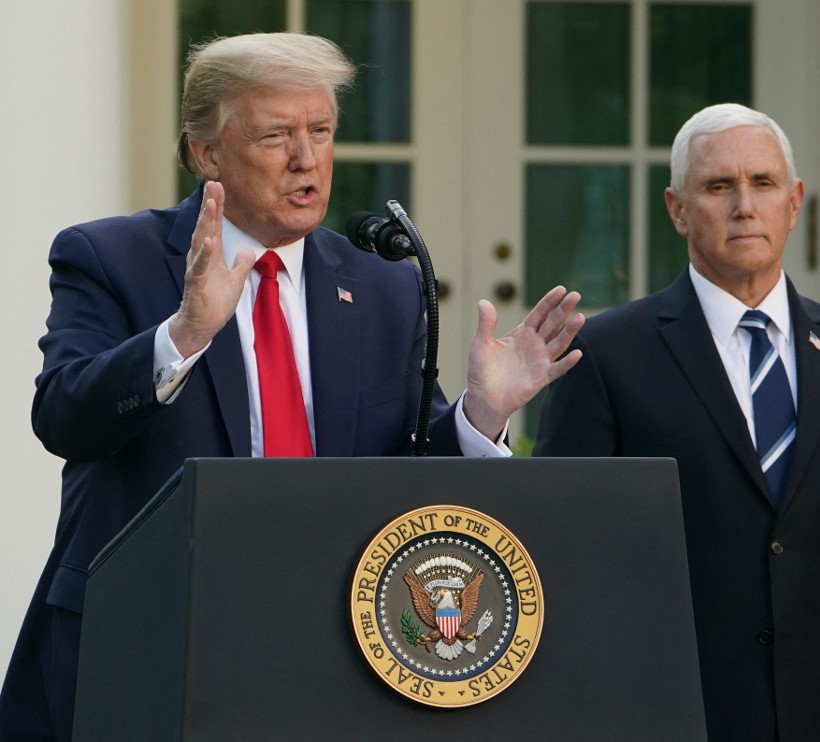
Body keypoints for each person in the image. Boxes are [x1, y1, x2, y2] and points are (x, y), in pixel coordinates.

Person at [0, 33, 584, 741]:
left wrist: (480, 417)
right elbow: (64, 417)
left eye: (322, 132)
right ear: (204, 153)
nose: (307, 159)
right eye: (277, 134)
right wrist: (182, 335)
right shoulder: (109, 256)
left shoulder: (382, 288)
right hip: (146, 647)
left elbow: (407, 472)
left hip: (324, 655)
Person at [534, 103, 820, 740]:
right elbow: (564, 567)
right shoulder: (605, 357)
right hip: (674, 717)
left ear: (794, 202)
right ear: (677, 209)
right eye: (718, 186)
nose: (744, 205)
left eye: (762, 184)